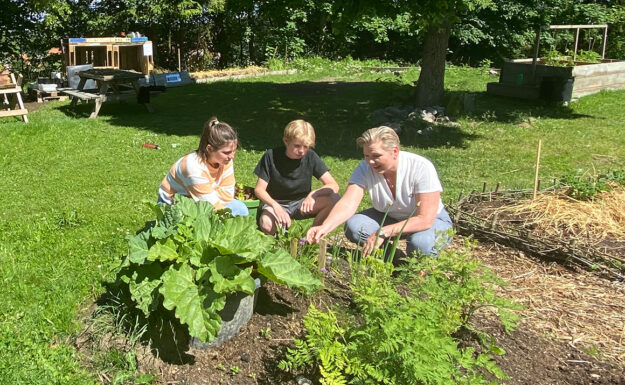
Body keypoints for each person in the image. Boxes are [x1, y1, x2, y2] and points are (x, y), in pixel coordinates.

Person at [306, 126, 453, 257]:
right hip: (389, 216)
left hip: (430, 221)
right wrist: (325, 226)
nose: (370, 162)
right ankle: (393, 257)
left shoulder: (420, 167)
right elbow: (348, 203)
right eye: (366, 156)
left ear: (394, 151)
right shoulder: (365, 168)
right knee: (355, 227)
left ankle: (421, 266)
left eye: (376, 156)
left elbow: (425, 219)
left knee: (421, 245)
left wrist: (383, 232)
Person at [254, 119, 340, 235]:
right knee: (267, 225)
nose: (302, 151)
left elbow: (333, 185)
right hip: (275, 202)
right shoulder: (271, 156)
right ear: (286, 141)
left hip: (301, 203)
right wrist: (275, 206)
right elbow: (259, 190)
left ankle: (313, 234)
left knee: (334, 199)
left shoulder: (310, 157)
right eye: (297, 146)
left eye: (306, 146)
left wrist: (313, 195)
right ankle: (278, 243)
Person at [158, 117, 248, 216]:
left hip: (203, 200)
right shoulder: (193, 167)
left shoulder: (225, 161)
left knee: (240, 209)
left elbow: (227, 196)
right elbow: (210, 206)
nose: (232, 156)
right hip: (173, 206)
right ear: (209, 149)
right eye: (226, 152)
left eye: (234, 151)